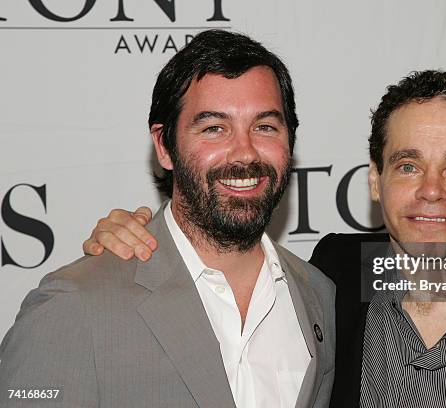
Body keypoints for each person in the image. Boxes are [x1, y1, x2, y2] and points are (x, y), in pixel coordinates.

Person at [82, 71, 446, 407]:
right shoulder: (330, 273)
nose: (431, 192)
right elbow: (215, 260)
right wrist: (139, 238)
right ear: (376, 182)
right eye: (408, 166)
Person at [0, 30, 335, 408]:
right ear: (164, 146)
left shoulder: (319, 296)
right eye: (214, 128)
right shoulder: (73, 307)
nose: (245, 153)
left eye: (265, 127)